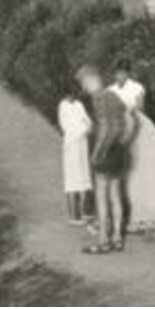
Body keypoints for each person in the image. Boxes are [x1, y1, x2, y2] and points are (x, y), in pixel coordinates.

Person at [75, 64, 131, 254]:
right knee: (116, 194)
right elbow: (131, 121)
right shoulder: (113, 95)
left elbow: (106, 127)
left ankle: (103, 241)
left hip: (106, 150)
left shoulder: (98, 98)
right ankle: (117, 238)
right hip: (119, 150)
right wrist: (124, 142)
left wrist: (97, 152)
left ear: (90, 79)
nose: (83, 87)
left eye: (83, 82)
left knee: (101, 196)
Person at [111, 59, 155, 233]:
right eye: (118, 72)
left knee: (142, 173)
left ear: (128, 73)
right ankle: (126, 216)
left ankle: (146, 215)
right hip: (120, 131)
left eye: (124, 72)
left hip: (138, 130)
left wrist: (128, 112)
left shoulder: (137, 87)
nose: (120, 75)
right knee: (125, 176)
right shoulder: (110, 90)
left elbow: (140, 108)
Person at [57, 91, 93, 225]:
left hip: (82, 145)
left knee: (84, 177)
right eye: (69, 93)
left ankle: (85, 213)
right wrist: (83, 128)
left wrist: (86, 126)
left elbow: (89, 122)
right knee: (72, 178)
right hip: (71, 146)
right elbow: (67, 128)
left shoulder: (79, 104)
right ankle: (73, 216)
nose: (71, 96)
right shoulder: (63, 106)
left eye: (73, 93)